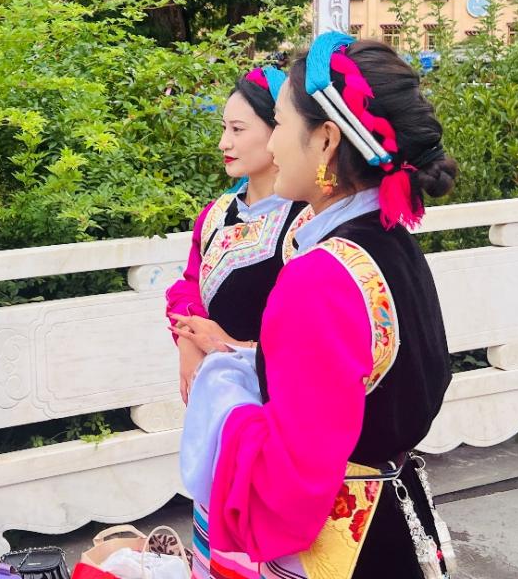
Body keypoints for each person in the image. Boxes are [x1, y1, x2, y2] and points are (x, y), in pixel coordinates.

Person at [178, 33, 456, 579]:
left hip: (335, 547)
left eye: (280, 124)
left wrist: (221, 384)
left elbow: (289, 477)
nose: (274, 145)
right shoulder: (388, 240)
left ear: (326, 140)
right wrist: (247, 356)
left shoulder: (319, 276)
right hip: (396, 514)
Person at [165, 67, 311, 579]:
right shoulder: (217, 214)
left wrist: (229, 345)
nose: (224, 142)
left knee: (266, 553)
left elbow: (303, 332)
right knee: (216, 549)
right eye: (223, 128)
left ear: (280, 130)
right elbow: (187, 286)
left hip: (276, 417)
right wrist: (189, 342)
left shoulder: (305, 222)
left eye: (238, 129)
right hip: (218, 413)